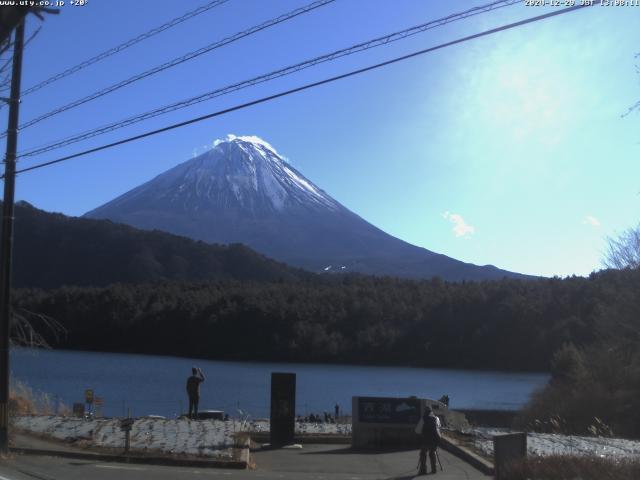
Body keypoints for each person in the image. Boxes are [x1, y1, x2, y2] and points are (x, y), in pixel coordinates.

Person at [418, 405, 441, 475]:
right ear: (431, 411)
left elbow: (418, 431)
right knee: (432, 452)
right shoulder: (436, 418)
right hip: (434, 439)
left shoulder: (423, 418)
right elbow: (439, 427)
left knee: (423, 453)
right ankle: (434, 469)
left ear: (425, 411)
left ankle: (423, 470)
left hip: (425, 439)